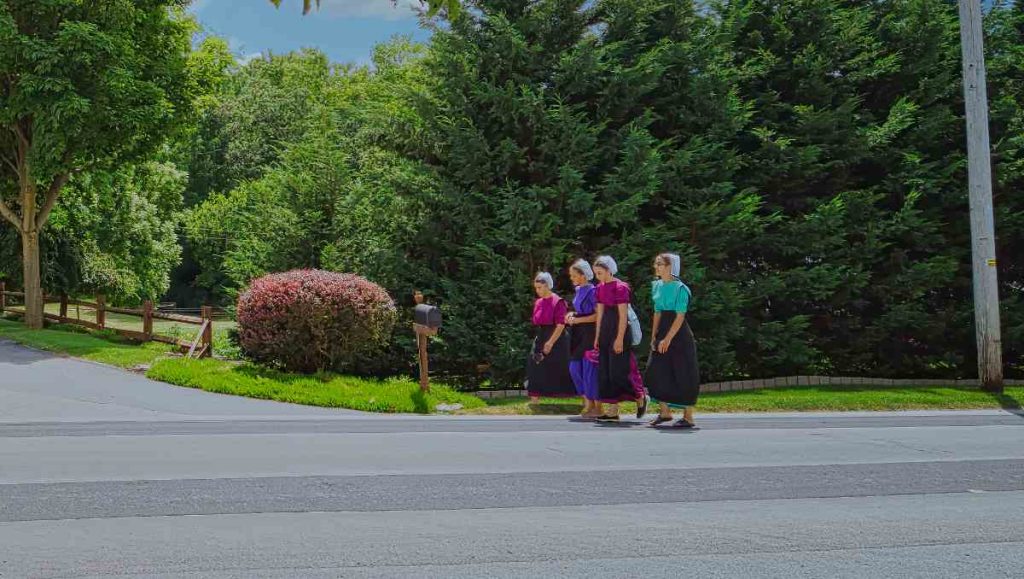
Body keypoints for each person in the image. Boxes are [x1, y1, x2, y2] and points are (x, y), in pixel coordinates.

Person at [644, 253, 700, 428]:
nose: (656, 267)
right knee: (654, 372)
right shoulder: (657, 286)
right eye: (656, 264)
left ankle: (688, 416)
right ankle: (665, 412)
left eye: (660, 264)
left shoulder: (681, 289)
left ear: (670, 267)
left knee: (684, 373)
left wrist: (668, 338)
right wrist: (654, 336)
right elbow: (658, 312)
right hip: (662, 333)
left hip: (679, 335)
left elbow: (680, 316)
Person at [592, 255, 647, 422]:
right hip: (605, 332)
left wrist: (619, 339)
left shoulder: (621, 287)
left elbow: (623, 316)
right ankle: (613, 410)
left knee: (618, 373)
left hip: (619, 331)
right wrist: (597, 336)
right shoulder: (600, 288)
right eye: (596, 273)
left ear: (609, 271)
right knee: (605, 373)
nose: (598, 277)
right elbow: (600, 314)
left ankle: (640, 397)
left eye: (600, 273)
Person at [527, 271, 575, 403]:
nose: (537, 290)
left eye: (540, 287)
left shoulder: (558, 302)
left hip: (557, 338)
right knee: (534, 364)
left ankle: (582, 399)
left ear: (547, 286)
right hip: (541, 335)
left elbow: (560, 324)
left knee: (561, 368)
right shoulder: (538, 302)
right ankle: (534, 400)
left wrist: (550, 343)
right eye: (536, 288)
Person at [565, 259, 601, 418]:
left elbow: (598, 315)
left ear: (583, 275)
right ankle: (588, 401)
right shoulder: (579, 290)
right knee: (574, 368)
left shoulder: (593, 291)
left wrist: (578, 319)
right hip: (578, 333)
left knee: (589, 370)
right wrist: (572, 314)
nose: (572, 278)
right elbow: (579, 309)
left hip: (590, 332)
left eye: (574, 275)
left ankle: (595, 406)